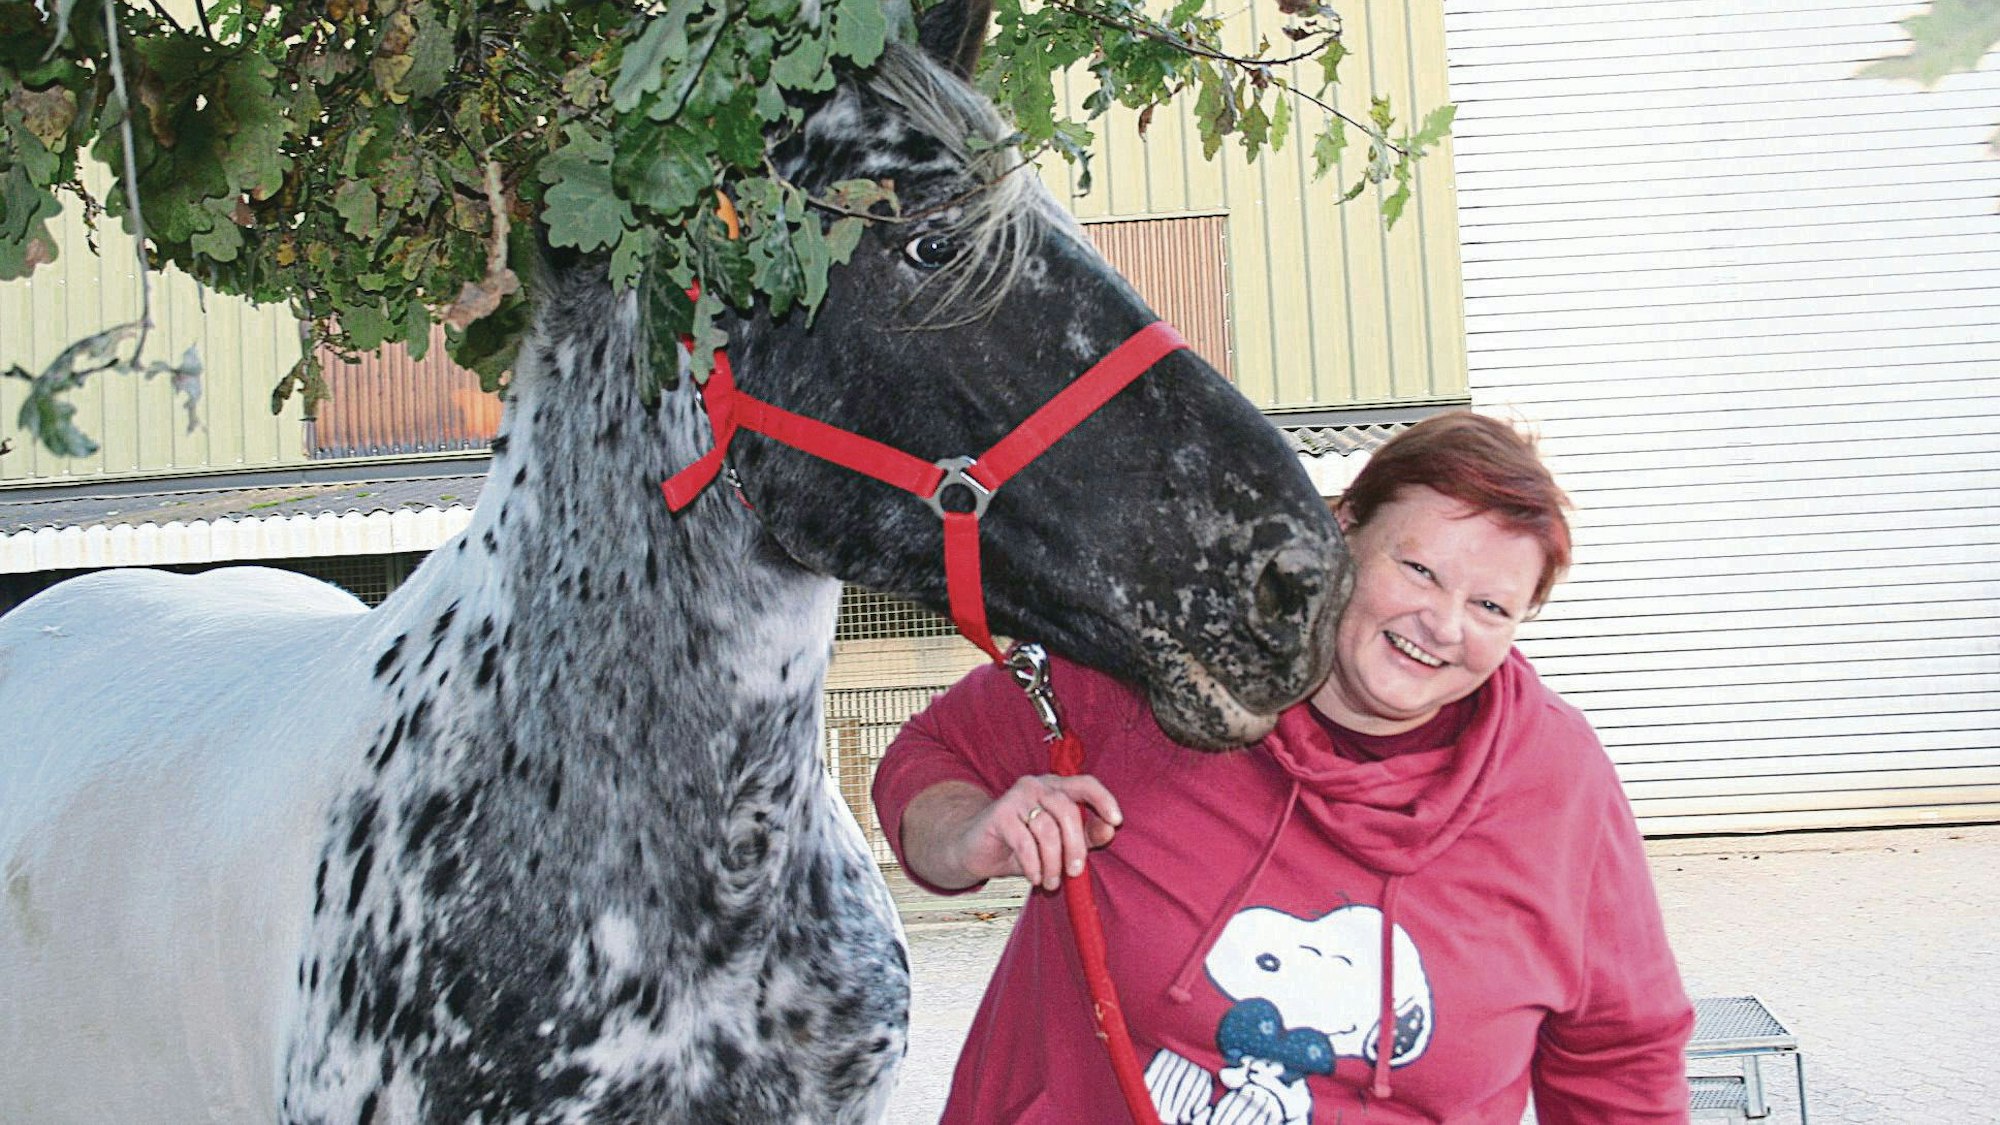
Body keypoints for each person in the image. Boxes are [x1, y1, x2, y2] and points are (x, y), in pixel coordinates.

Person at [873, 411, 1695, 1124]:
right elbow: (930, 756)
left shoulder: (1558, 783)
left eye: (1490, 606)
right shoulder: (1168, 663)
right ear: (1341, 529)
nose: (1443, 625)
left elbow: (1620, 1057)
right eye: (1419, 570)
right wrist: (969, 835)